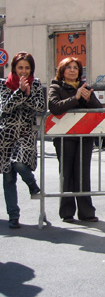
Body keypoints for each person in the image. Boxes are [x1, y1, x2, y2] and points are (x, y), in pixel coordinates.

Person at [48, 57, 102, 223]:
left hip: (84, 137)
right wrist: (75, 98)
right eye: (69, 67)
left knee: (83, 174)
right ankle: (67, 212)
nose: (72, 70)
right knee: (67, 174)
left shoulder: (85, 87)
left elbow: (99, 109)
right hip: (64, 138)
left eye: (76, 68)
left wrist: (88, 99)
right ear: (62, 71)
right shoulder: (55, 87)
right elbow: (54, 106)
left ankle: (86, 212)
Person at [1, 52, 45, 229]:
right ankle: (13, 216)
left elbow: (40, 107)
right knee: (8, 177)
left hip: (26, 134)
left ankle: (32, 184)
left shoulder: (35, 83)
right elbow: (4, 107)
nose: (24, 71)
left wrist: (27, 94)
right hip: (6, 135)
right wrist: (21, 92)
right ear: (14, 68)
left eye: (27, 68)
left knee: (19, 164)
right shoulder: (3, 84)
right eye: (20, 68)